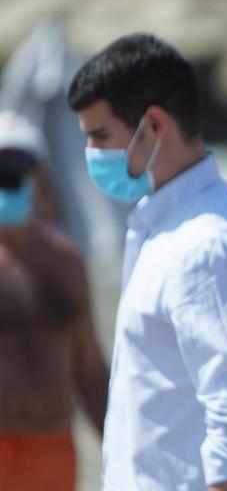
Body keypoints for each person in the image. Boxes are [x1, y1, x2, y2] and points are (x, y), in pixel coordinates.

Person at [68, 33, 227, 491]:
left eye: (100, 137)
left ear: (154, 126)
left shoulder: (207, 245)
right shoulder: (171, 226)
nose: (92, 155)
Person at [0, 110, 108, 491]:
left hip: (54, 452)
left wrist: (120, 444)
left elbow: (90, 368)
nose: (8, 174)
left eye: (19, 163)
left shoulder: (67, 263)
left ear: (40, 175)